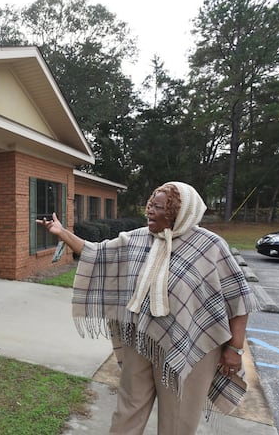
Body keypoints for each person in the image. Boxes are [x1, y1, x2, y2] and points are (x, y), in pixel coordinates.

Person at [36, 181, 260, 435]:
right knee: (129, 407)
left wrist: (234, 349)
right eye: (150, 205)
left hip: (189, 342)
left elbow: (239, 300)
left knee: (179, 416)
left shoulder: (209, 247)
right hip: (141, 337)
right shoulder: (138, 239)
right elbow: (97, 254)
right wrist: (62, 232)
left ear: (179, 212)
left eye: (159, 207)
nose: (150, 211)